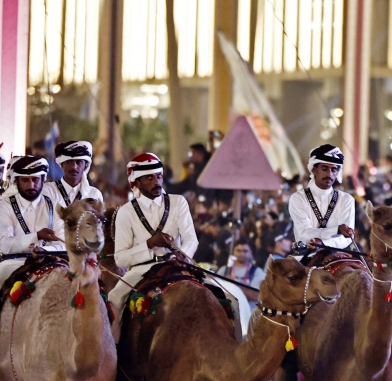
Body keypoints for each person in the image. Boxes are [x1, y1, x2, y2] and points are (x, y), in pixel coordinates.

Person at [0, 156, 59, 368]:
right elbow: (5, 244)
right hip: (14, 261)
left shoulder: (55, 205)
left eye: (36, 180)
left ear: (42, 180)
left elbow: (63, 241)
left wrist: (45, 250)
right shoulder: (3, 206)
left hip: (49, 261)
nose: (31, 185)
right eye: (26, 180)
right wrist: (34, 238)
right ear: (16, 181)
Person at [108, 153, 198, 343]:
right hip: (142, 270)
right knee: (114, 299)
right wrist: (149, 244)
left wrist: (183, 256)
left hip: (178, 265)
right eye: (149, 178)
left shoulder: (178, 202)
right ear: (137, 182)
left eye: (158, 176)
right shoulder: (126, 212)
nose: (156, 182)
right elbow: (120, 259)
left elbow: (191, 239)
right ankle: (113, 356)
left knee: (229, 298)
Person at [288, 145, 356, 251]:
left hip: (337, 254)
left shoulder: (347, 200)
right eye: (324, 169)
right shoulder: (298, 198)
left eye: (334, 170)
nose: (329, 174)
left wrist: (323, 243)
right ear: (314, 170)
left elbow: (346, 238)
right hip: (306, 255)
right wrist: (335, 230)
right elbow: (303, 233)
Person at [42, 141, 104, 211]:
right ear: (62, 165)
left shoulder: (94, 195)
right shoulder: (48, 191)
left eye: (79, 162)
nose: (74, 167)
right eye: (69, 162)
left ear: (85, 166)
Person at [218, 239, 264, 312]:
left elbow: (256, 296)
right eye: (238, 251)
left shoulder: (257, 271)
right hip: (226, 312)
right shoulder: (224, 270)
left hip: (248, 314)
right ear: (234, 251)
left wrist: (233, 284)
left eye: (245, 251)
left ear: (251, 252)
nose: (241, 254)